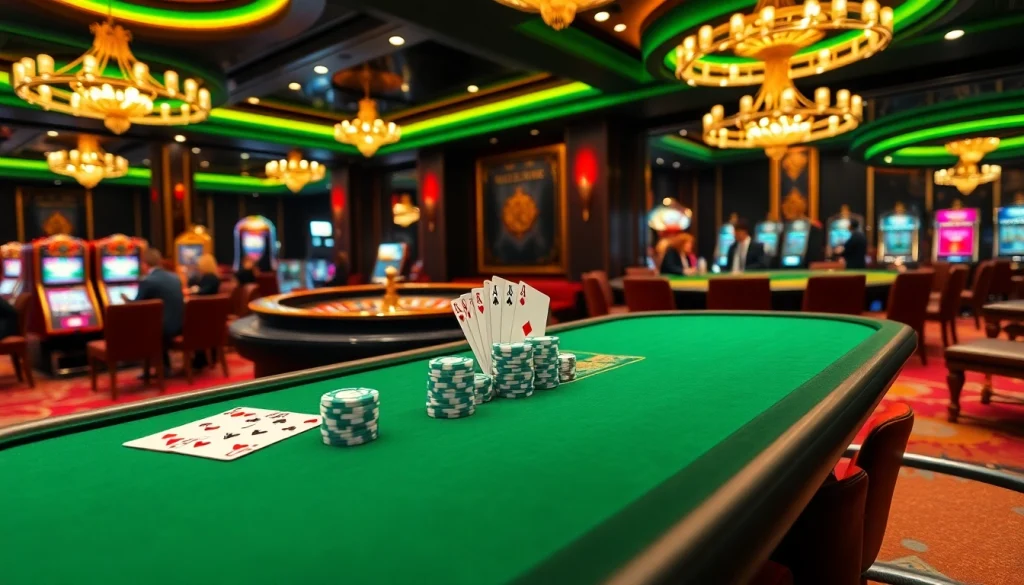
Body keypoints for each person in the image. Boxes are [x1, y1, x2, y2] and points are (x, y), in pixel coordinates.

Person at [126, 248, 184, 376]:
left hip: (162, 329)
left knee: (143, 326)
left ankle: (155, 368)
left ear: (145, 264)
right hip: (181, 325)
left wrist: (125, 300)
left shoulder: (147, 281)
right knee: (153, 322)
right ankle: (164, 367)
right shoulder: (175, 277)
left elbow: (135, 305)